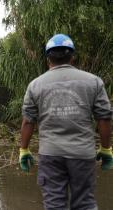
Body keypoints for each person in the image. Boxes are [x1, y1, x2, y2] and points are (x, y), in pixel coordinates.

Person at [19, 34, 113, 210]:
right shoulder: (93, 82)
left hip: (50, 155)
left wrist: (24, 149)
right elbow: (104, 117)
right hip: (83, 154)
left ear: (48, 58)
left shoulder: (35, 85)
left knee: (54, 205)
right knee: (85, 204)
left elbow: (28, 121)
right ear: (72, 56)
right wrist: (106, 148)